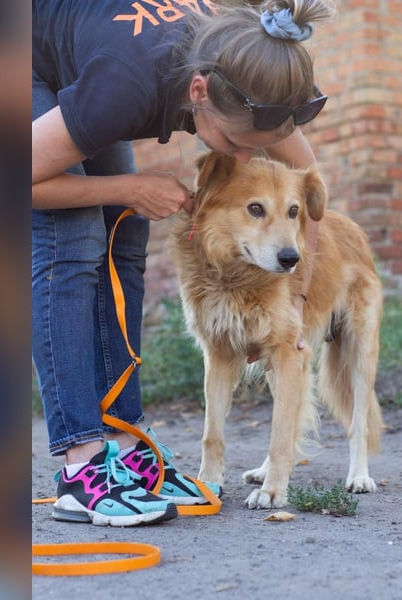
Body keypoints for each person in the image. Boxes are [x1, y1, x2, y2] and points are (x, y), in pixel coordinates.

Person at [32, 0, 336, 526]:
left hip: (92, 59)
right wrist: (130, 187)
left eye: (258, 147)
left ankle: (127, 444)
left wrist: (300, 301)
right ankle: (82, 466)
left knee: (126, 227)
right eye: (235, 143)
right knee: (75, 235)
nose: (243, 160)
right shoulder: (125, 86)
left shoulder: (255, 81)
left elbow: (312, 202)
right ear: (199, 92)